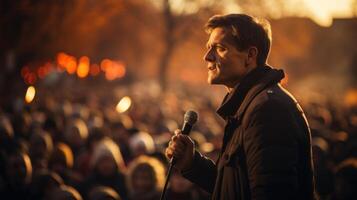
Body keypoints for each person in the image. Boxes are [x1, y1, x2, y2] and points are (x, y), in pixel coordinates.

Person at [165, 14, 317, 200]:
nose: (207, 57)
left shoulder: (268, 110)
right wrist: (192, 164)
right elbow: (234, 189)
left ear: (250, 56)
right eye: (208, 48)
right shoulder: (249, 105)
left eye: (220, 48)